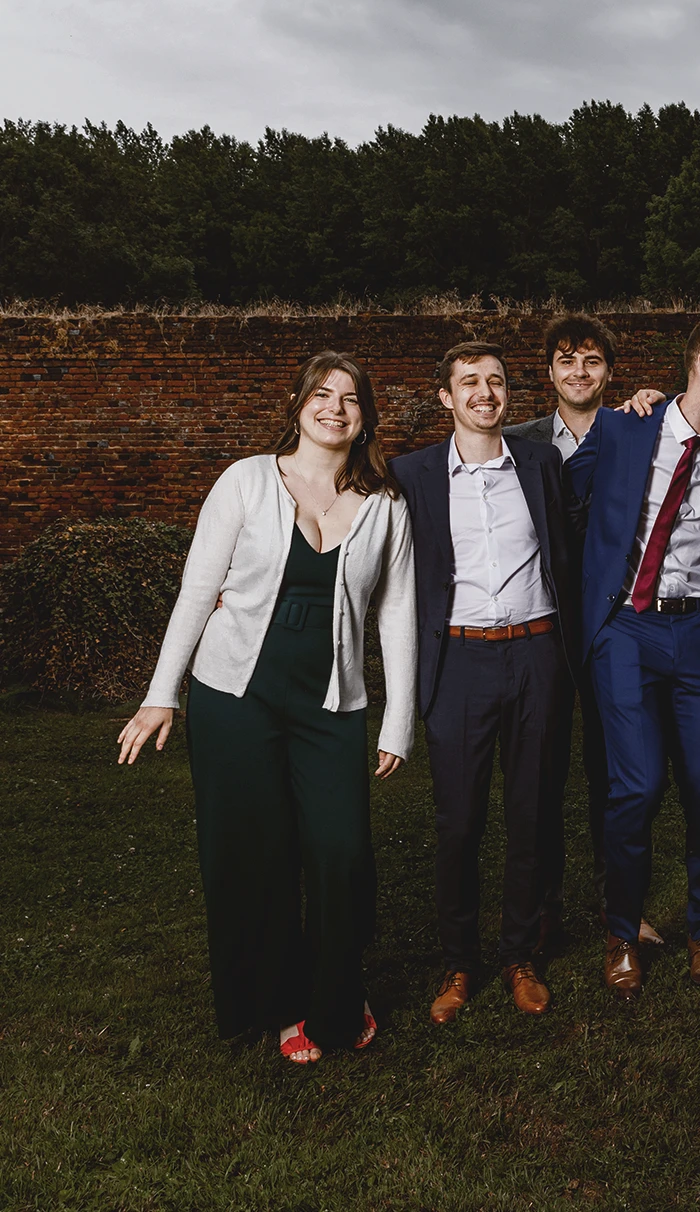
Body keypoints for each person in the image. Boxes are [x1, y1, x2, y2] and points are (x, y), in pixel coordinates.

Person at [118, 352, 416, 1064]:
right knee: (259, 857)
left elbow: (398, 612)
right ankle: (284, 1006)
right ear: (298, 404)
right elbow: (199, 590)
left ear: (365, 416)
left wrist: (399, 718)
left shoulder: (387, 504)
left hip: (330, 706)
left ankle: (341, 997)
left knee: (341, 854)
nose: (336, 408)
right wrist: (163, 694)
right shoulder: (246, 481)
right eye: (323, 394)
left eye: (350, 398)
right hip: (234, 699)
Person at [567, 315, 700, 1001]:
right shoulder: (623, 429)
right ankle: (623, 930)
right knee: (638, 787)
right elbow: (557, 491)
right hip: (627, 628)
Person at [391, 343, 578, 1025]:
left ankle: (520, 954)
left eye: (496, 381)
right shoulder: (409, 475)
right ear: (446, 397)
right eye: (469, 382)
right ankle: (459, 961)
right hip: (459, 663)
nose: (484, 392)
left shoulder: (540, 464)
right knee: (459, 821)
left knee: (533, 812)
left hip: (536, 654)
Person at [504, 315, 663, 953]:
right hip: (539, 624)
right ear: (549, 372)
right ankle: (542, 908)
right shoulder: (515, 442)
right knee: (538, 772)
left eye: (592, 361)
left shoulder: (635, 430)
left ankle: (618, 903)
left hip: (612, 624)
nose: (579, 372)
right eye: (567, 361)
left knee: (615, 771)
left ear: (609, 371)